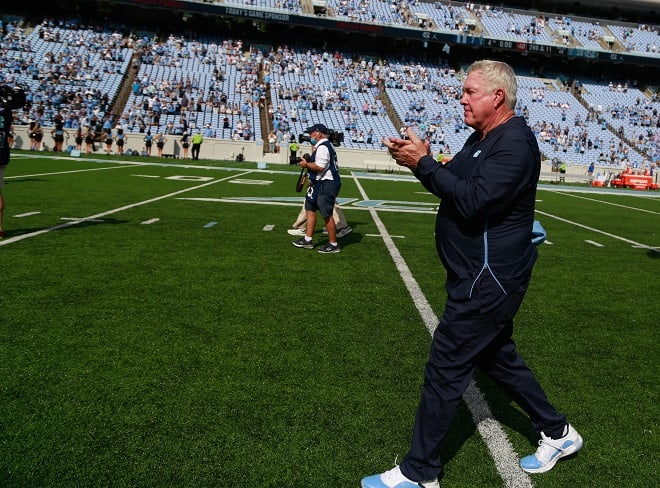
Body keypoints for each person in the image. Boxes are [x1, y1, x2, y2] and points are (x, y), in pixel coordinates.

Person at [362, 60, 583, 488]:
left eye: (469, 91)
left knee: (445, 368)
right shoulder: (483, 137)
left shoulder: (515, 143)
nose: (460, 98)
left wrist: (425, 164)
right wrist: (420, 161)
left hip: (488, 280)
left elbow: (473, 201)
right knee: (496, 356)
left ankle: (419, 472)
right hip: (477, 275)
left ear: (496, 97)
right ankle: (557, 433)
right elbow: (452, 182)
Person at [292, 123, 342, 254]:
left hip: (327, 183)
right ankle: (308, 239)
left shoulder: (323, 147)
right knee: (310, 206)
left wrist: (306, 164)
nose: (310, 135)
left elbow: (320, 167)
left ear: (319, 133)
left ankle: (333, 243)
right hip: (319, 182)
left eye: (312, 132)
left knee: (326, 213)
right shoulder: (321, 146)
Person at [287, 202, 352, 239]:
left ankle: (342, 227)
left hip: (324, 180)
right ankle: (304, 227)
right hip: (320, 180)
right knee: (309, 201)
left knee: (329, 202)